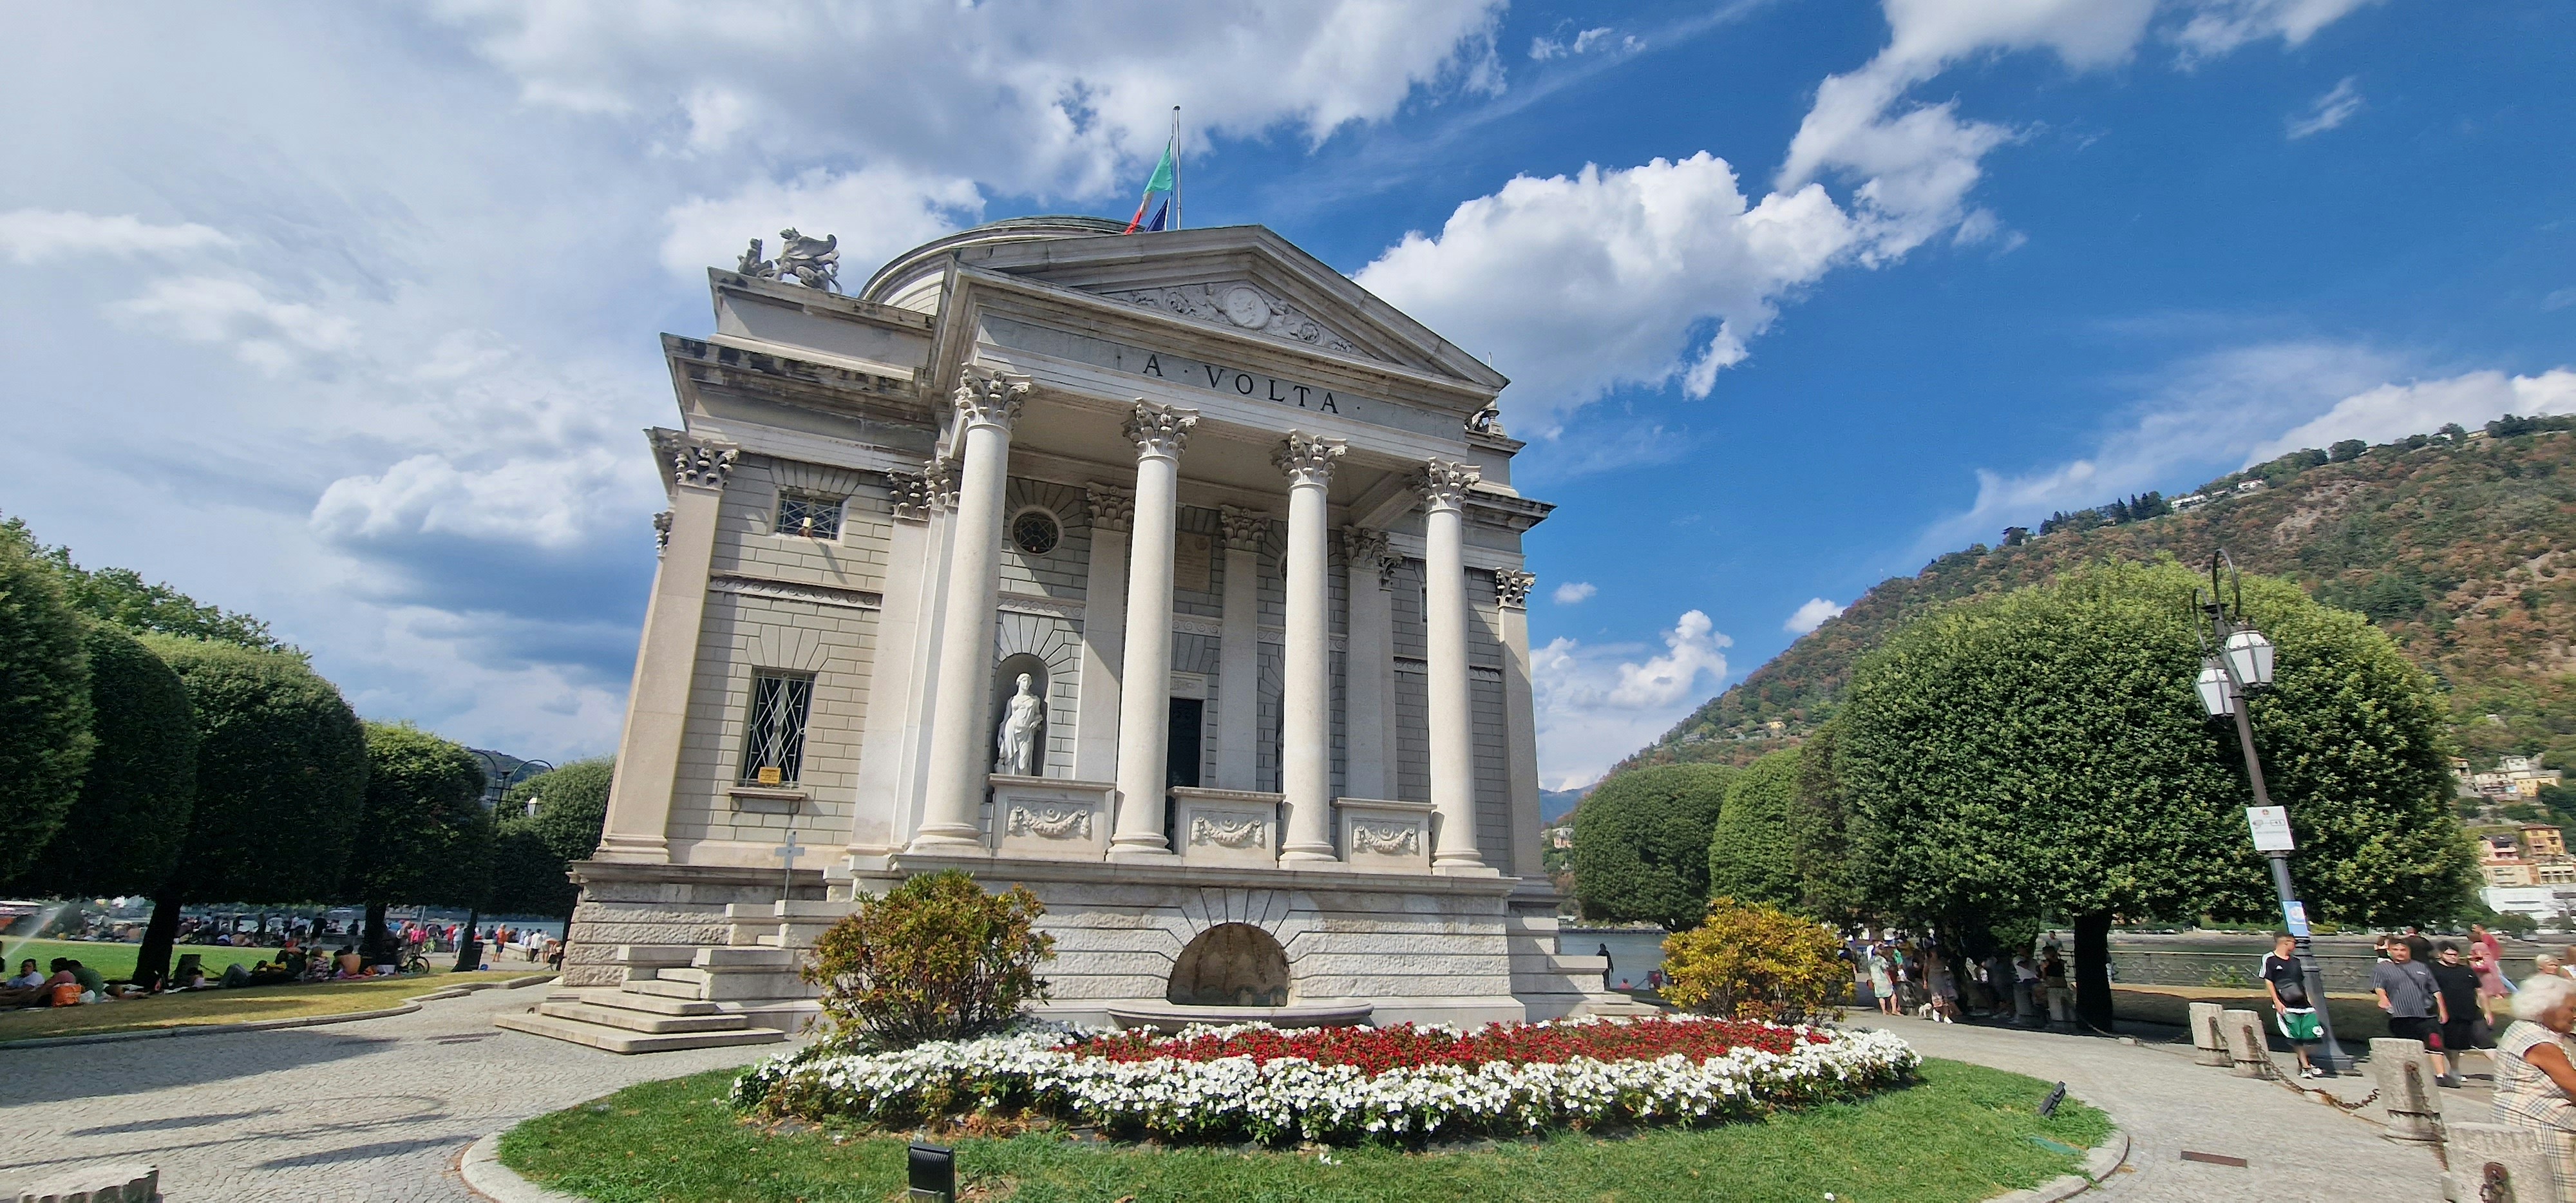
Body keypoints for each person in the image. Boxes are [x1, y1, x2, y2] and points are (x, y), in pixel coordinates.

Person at [2490, 972, 2576, 1184]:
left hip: (2518, 1121)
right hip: (2542, 1129)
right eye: (2572, 1009)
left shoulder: (2522, 1028)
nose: (2575, 1016)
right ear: (2547, 1008)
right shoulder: (2540, 1044)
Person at [2376, 938, 2457, 1087]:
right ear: (2390, 951)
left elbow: (2435, 990)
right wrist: (2383, 999)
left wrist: (2443, 1010)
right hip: (2401, 1014)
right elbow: (2378, 986)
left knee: (2435, 1041)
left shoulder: (2421, 967)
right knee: (2408, 1046)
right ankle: (2409, 1075)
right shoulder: (2383, 968)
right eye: (2396, 950)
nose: (2400, 953)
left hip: (2426, 1013)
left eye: (2403, 950)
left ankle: (2441, 1075)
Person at [2260, 934, 2325, 1079]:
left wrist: (2310, 1000)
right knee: (2296, 1035)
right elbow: (2269, 981)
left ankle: (2305, 1063)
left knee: (2313, 1034)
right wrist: (2276, 1001)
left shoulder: (2296, 961)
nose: (2295, 946)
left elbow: (2301, 982)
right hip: (2286, 1004)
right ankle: (2306, 1065)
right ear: (2285, 943)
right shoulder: (2270, 959)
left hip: (2303, 1003)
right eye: (2293, 943)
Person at [2433, 942, 2488, 1068]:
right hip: (2449, 1013)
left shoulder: (2466, 970)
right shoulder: (2433, 970)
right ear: (2440, 954)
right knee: (2452, 1045)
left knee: (2485, 1040)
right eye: (2449, 954)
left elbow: (2480, 990)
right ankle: (2454, 1069)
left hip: (2472, 1012)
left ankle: (2501, 1071)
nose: (2453, 957)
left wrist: (2488, 1012)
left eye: (2456, 955)